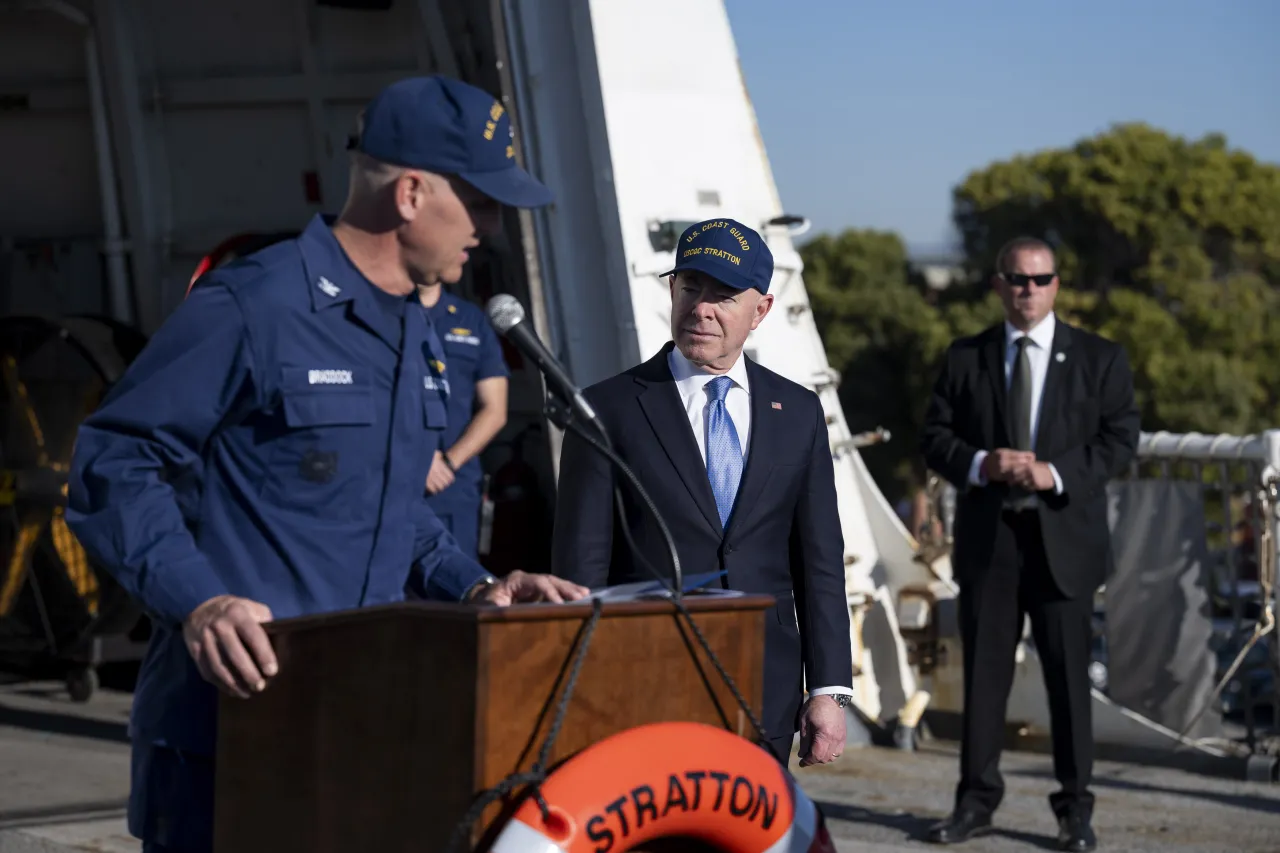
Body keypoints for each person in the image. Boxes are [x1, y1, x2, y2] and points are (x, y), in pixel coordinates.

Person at [64, 75, 588, 853]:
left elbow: (382, 505)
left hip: (355, 735)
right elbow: (113, 460)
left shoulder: (415, 324)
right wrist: (200, 602)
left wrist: (475, 585)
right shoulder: (257, 305)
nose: (490, 228)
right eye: (478, 202)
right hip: (228, 741)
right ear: (411, 192)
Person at [551, 218, 854, 768]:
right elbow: (581, 562)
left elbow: (819, 562)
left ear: (760, 311)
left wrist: (828, 691)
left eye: (723, 296)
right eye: (691, 288)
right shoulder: (606, 411)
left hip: (765, 688)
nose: (701, 308)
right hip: (644, 684)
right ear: (672, 290)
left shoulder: (799, 413)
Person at [919, 236, 1139, 851]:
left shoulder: (1100, 358)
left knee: (1069, 684)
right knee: (984, 681)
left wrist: (1055, 472)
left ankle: (1075, 813)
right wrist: (983, 462)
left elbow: (1121, 439)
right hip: (991, 546)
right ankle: (975, 803)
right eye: (1017, 279)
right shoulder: (967, 357)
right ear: (998, 285)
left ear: (1056, 285)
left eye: (1040, 280)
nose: (1028, 290)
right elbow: (934, 437)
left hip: (1064, 543)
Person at [417, 278, 509, 560]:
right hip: (389, 484)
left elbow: (495, 409)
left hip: (451, 489)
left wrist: (448, 463)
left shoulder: (472, 320)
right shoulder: (380, 315)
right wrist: (417, 460)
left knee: (456, 587)